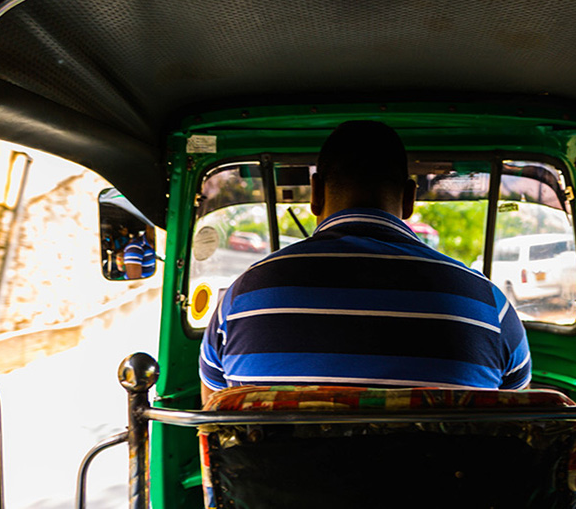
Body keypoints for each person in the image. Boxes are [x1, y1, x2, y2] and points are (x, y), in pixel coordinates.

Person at [199, 121, 531, 402]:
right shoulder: (491, 307)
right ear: (409, 198)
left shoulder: (241, 298)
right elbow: (513, 426)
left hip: (269, 481)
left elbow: (214, 419)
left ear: (314, 192)